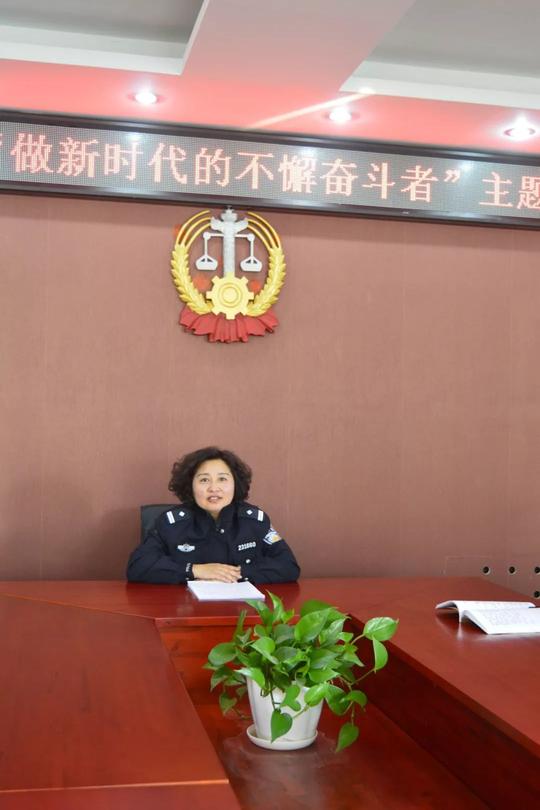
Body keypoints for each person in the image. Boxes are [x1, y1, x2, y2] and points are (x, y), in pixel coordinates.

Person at [127, 446, 300, 585]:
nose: (213, 488)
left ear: (235, 484)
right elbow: (138, 567)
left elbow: (288, 566)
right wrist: (195, 570)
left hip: (242, 609)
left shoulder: (254, 521)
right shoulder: (171, 523)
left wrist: (234, 573)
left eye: (222, 479)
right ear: (190, 485)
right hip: (186, 609)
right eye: (204, 480)